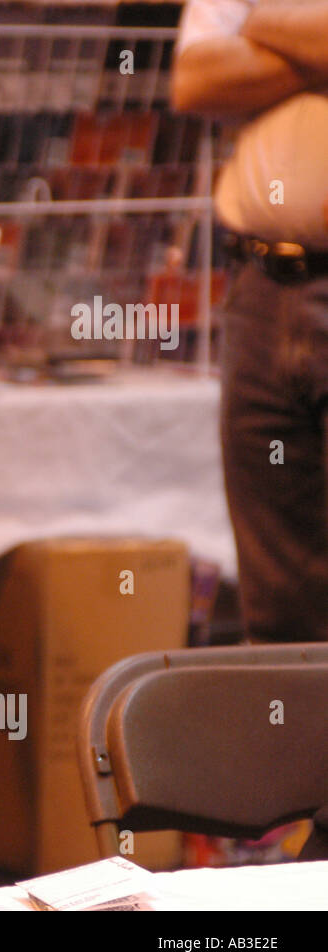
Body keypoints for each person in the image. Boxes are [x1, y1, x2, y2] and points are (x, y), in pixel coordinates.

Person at [172, 1, 328, 643]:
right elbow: (195, 80)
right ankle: (287, 744)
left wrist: (261, 18)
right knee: (278, 607)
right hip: (263, 288)